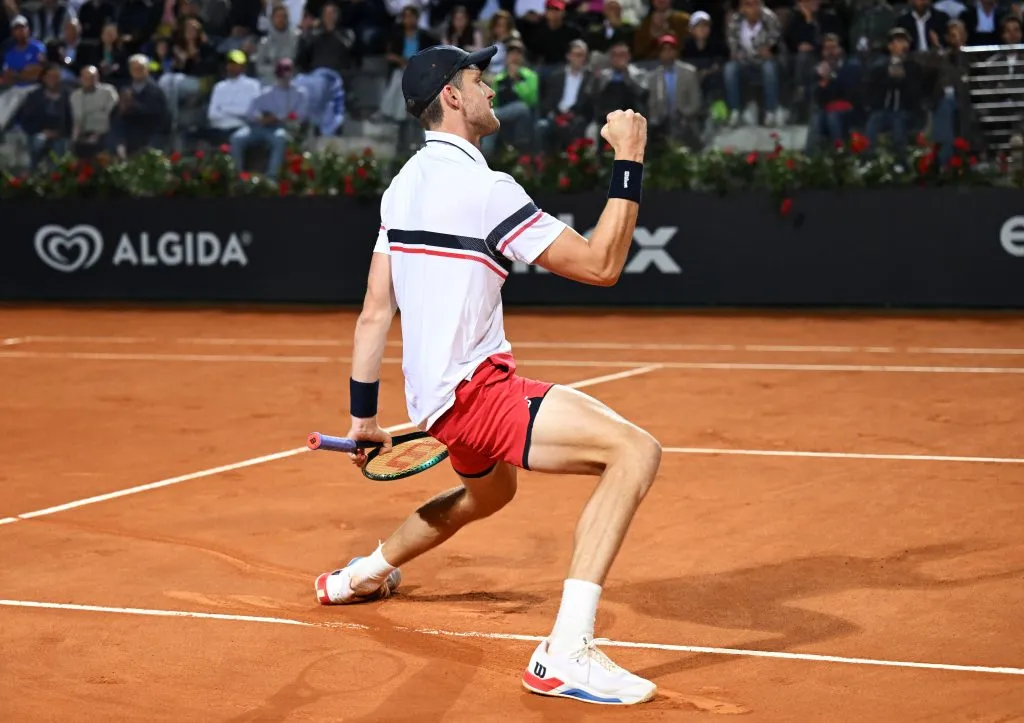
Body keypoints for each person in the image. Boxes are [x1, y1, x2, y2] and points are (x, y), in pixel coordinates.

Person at [313, 43, 661, 707]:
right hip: (478, 394)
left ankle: (361, 575)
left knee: (490, 494)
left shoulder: (401, 187)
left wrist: (363, 420)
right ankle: (566, 652)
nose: (490, 88)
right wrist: (629, 158)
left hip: (438, 404)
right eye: (478, 78)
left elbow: (372, 315)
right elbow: (600, 264)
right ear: (451, 96)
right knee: (635, 452)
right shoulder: (484, 189)